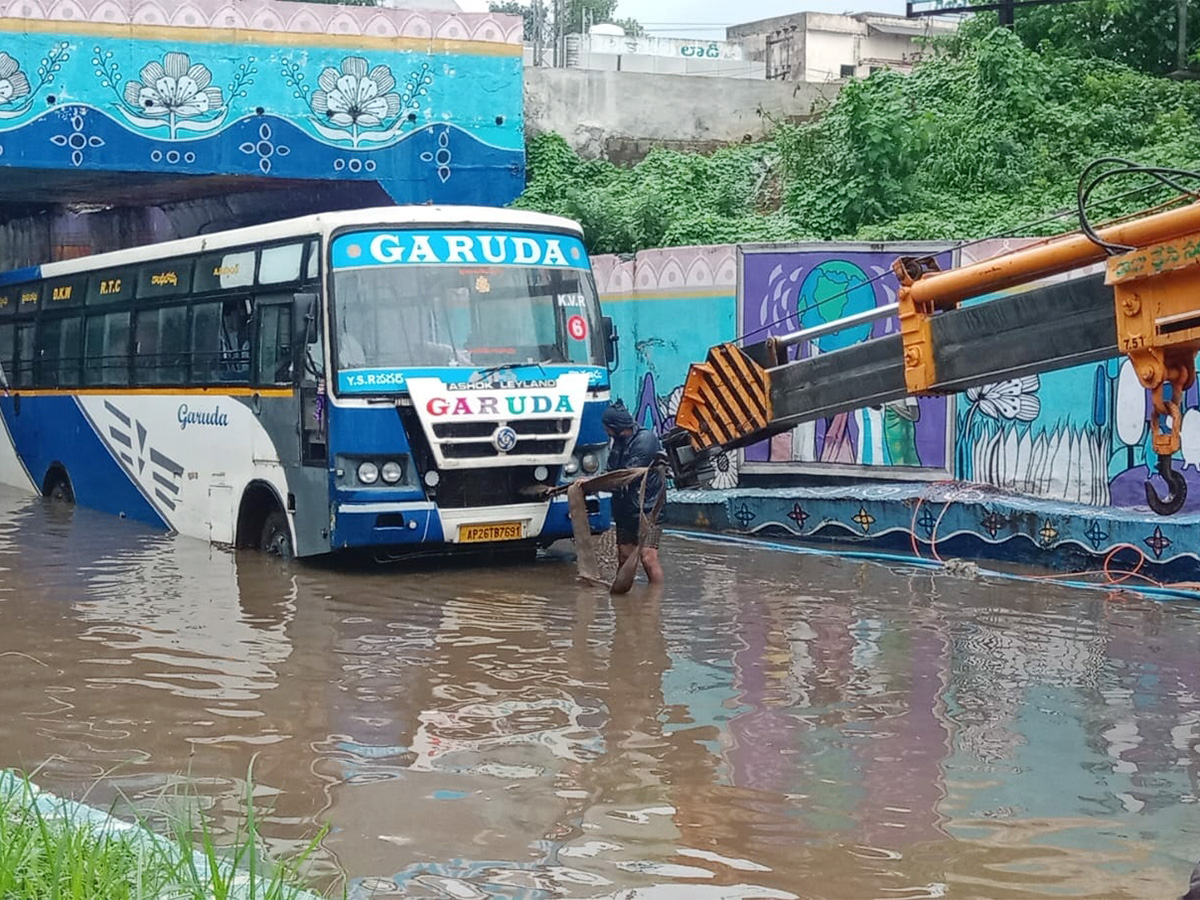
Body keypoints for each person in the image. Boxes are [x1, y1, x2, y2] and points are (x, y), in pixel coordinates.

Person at [602, 401, 665, 584]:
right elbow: (611, 471)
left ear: (615, 427)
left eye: (607, 428)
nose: (606, 432)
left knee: (648, 557)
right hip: (625, 509)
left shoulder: (645, 440)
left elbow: (626, 475)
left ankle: (654, 601)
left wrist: (595, 484)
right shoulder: (618, 442)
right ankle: (623, 601)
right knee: (623, 556)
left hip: (649, 510)